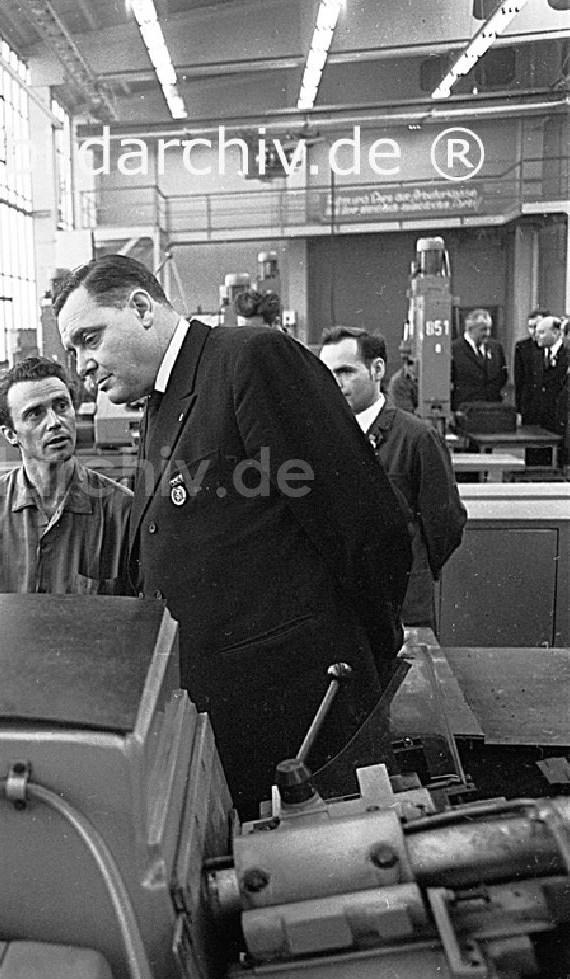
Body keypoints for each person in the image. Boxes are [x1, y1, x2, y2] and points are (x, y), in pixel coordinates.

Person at [54, 255, 412, 817]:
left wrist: (367, 658)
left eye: (88, 338)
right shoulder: (162, 402)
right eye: (73, 351)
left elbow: (365, 526)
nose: (82, 366)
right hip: (226, 714)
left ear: (142, 308)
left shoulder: (249, 361)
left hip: (304, 715)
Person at [320, 327, 467, 630]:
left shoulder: (416, 438)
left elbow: (446, 522)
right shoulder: (320, 438)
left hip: (402, 604)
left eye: (345, 371)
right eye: (327, 373)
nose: (334, 383)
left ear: (377, 369)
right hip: (341, 606)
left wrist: (417, 570)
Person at [0, 356, 132, 594]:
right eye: (35, 414)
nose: (55, 422)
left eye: (61, 406)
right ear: (10, 434)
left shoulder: (121, 511)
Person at [518, 315, 569, 466]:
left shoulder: (567, 353)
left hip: (558, 418)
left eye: (541, 332)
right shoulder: (535, 354)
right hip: (536, 418)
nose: (536, 336)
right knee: (535, 461)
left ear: (555, 333)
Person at [451, 308, 508, 410]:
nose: (488, 333)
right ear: (470, 328)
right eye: (483, 329)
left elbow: (502, 376)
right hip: (465, 411)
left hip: (492, 409)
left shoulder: (496, 348)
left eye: (489, 329)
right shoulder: (454, 349)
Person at [514, 308, 549, 421]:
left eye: (537, 326)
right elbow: (519, 380)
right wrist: (518, 410)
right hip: (530, 405)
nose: (533, 331)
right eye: (530, 327)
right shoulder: (522, 347)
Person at [387, 349, 418, 413]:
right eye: (410, 363)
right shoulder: (398, 382)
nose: (414, 367)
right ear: (405, 364)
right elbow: (406, 413)